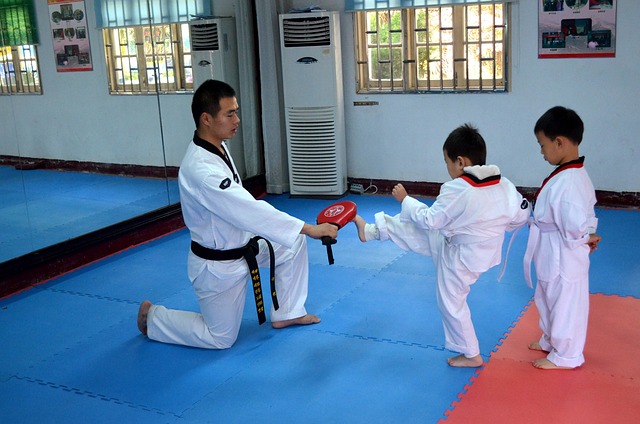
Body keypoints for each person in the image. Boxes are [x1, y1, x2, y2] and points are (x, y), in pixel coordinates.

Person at [136, 79, 338, 349]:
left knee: (291, 243)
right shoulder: (202, 170)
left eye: (236, 112)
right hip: (218, 266)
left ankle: (288, 312)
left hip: (243, 246)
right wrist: (310, 228)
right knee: (219, 338)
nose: (237, 120)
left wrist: (299, 231)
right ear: (206, 119)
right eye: (229, 114)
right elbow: (248, 209)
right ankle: (154, 318)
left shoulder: (216, 145)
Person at [354, 124, 530, 368]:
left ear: (460, 162)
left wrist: (406, 200)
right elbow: (522, 214)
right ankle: (371, 231)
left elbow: (430, 219)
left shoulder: (458, 188)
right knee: (420, 233)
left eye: (447, 161)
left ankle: (472, 354)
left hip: (461, 257)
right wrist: (497, 226)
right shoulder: (504, 184)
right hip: (483, 251)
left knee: (451, 301)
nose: (446, 167)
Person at [524, 106, 601, 370]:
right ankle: (550, 339)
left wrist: (585, 237)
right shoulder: (566, 174)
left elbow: (577, 222)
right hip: (550, 247)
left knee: (565, 302)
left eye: (542, 145)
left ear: (559, 142)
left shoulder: (571, 180)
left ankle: (567, 355)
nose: (541, 152)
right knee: (546, 296)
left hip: (564, 251)